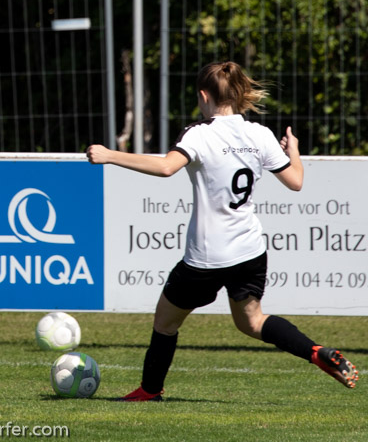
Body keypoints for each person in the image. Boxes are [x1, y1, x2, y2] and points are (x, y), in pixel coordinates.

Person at [86, 61, 358, 401]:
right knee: (252, 322)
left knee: (165, 323)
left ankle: (149, 390)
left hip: (206, 257)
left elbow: (167, 167)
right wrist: (295, 153)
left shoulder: (198, 134)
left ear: (204, 96)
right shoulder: (260, 134)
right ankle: (315, 351)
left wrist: (110, 155)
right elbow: (296, 181)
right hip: (249, 251)